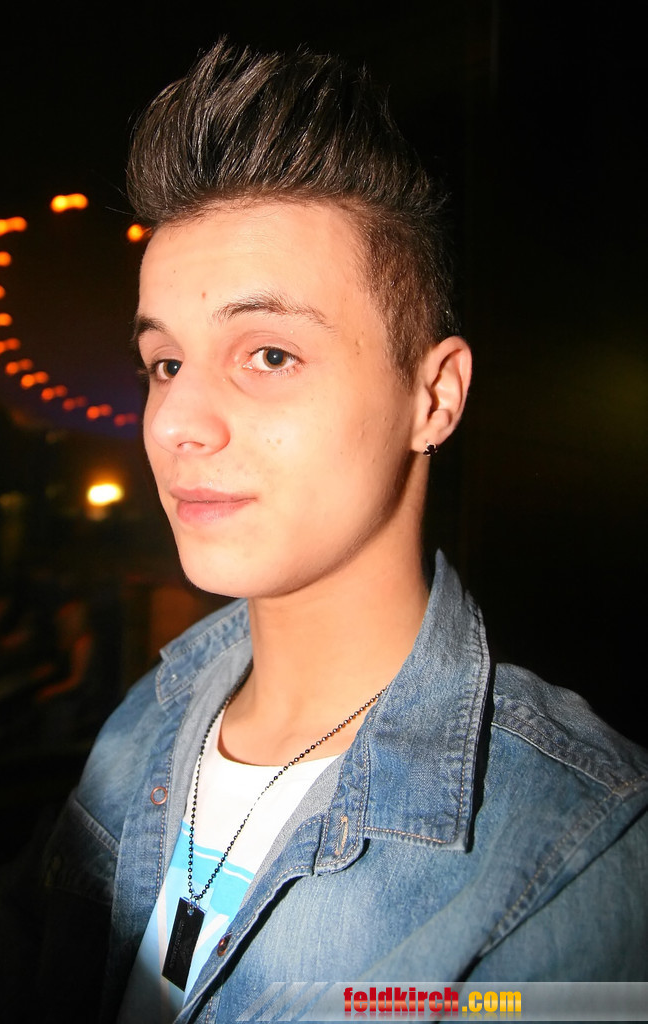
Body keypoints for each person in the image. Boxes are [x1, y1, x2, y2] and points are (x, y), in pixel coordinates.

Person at [32, 41, 647, 1023]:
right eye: (165, 363)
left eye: (269, 354)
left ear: (433, 397)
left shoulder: (578, 845)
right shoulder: (146, 721)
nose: (178, 419)